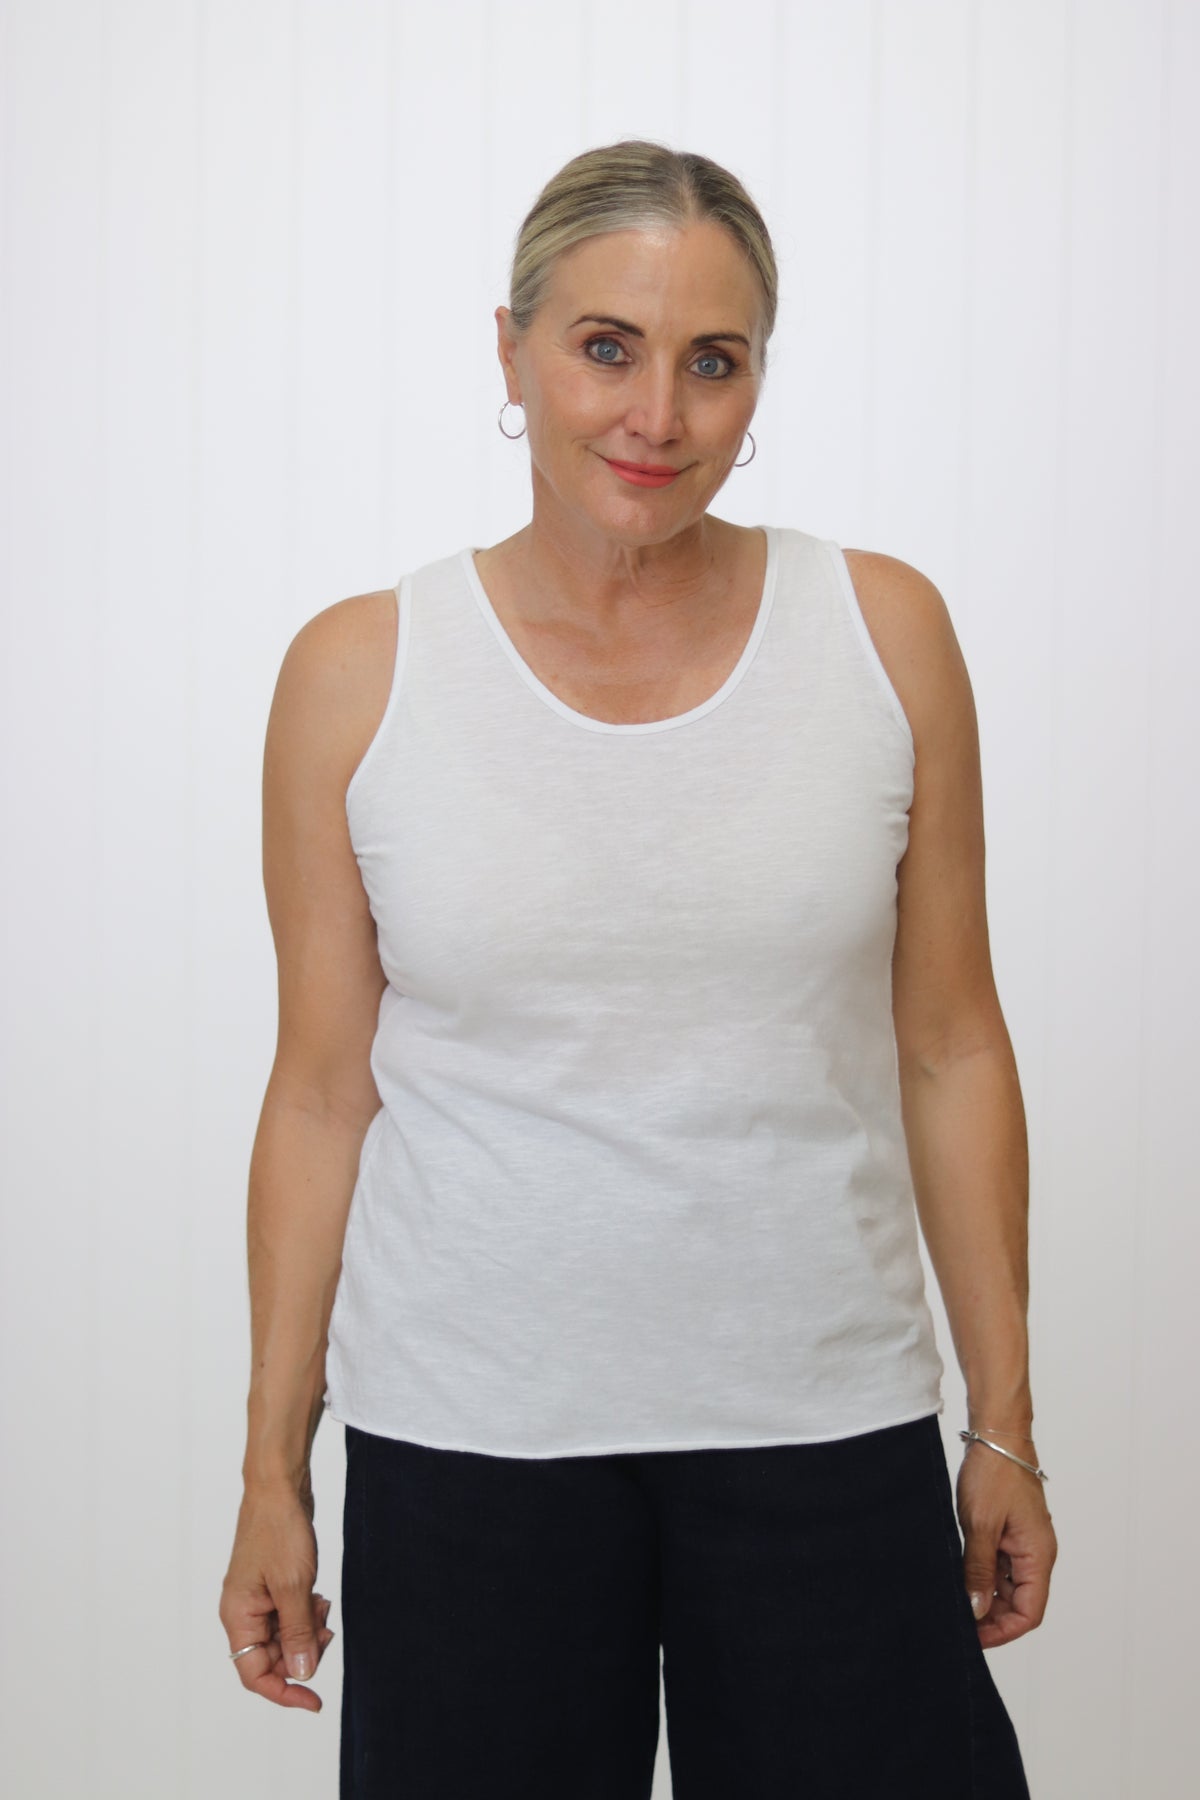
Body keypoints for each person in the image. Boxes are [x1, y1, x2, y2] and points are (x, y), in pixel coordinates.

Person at [219, 139, 1057, 1797]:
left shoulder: (882, 635)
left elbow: (952, 1044)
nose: (656, 415)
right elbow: (320, 1095)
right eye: (607, 347)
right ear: (512, 351)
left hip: (822, 1426)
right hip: (470, 1442)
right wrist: (270, 1467)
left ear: (759, 384)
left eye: (712, 361)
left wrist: (1004, 1422)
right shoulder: (358, 675)